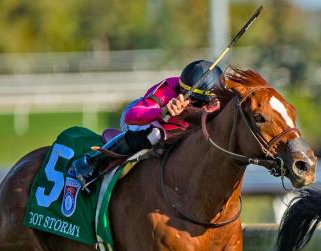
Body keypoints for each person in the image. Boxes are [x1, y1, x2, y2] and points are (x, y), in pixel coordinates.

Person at [67, 59, 225, 191]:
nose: (199, 106)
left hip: (173, 131)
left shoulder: (217, 101)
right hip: (143, 118)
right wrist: (163, 112)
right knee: (154, 135)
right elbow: (131, 116)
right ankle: (90, 164)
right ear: (183, 91)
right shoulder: (168, 89)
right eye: (196, 102)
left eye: (206, 103)